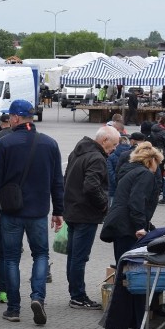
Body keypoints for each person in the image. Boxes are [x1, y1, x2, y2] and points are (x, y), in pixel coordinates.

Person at [0, 99, 64, 326]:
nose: (9, 121)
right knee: (41, 255)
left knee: (11, 258)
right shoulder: (50, 144)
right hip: (39, 211)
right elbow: (57, 181)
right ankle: (38, 297)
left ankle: (13, 308)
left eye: (10, 117)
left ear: (16, 118)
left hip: (10, 211)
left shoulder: (4, 143)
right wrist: (58, 211)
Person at [63, 126, 119, 310]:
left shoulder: (77, 151)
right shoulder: (96, 158)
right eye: (114, 144)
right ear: (104, 141)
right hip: (86, 214)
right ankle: (78, 296)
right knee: (79, 257)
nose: (115, 148)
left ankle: (75, 294)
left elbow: (67, 179)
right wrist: (104, 204)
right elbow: (91, 186)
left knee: (73, 256)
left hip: (72, 209)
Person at [101, 142, 164, 264]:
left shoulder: (130, 171)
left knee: (122, 261)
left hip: (120, 224)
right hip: (128, 227)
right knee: (130, 266)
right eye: (158, 162)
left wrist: (148, 225)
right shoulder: (145, 174)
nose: (158, 167)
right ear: (151, 160)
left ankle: (120, 281)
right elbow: (137, 201)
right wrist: (140, 226)